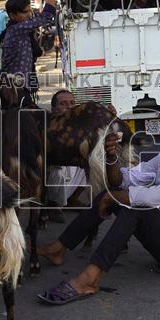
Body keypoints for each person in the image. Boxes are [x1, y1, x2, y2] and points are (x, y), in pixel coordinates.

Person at [35, 118, 160, 305]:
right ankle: (58, 249)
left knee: (136, 206)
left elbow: (149, 199)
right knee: (113, 194)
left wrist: (112, 197)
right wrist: (111, 156)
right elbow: (121, 181)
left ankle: (89, 279)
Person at [0, 0, 64, 90]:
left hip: (21, 86)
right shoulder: (16, 30)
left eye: (29, 11)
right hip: (13, 89)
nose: (29, 15)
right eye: (25, 12)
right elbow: (47, 15)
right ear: (13, 15)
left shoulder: (20, 30)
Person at [43, 89, 89, 223]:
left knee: (91, 161)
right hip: (52, 174)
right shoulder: (49, 124)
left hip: (71, 172)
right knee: (59, 169)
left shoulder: (78, 122)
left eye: (72, 103)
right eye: (63, 103)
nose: (69, 106)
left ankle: (72, 199)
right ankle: (54, 206)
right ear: (54, 109)